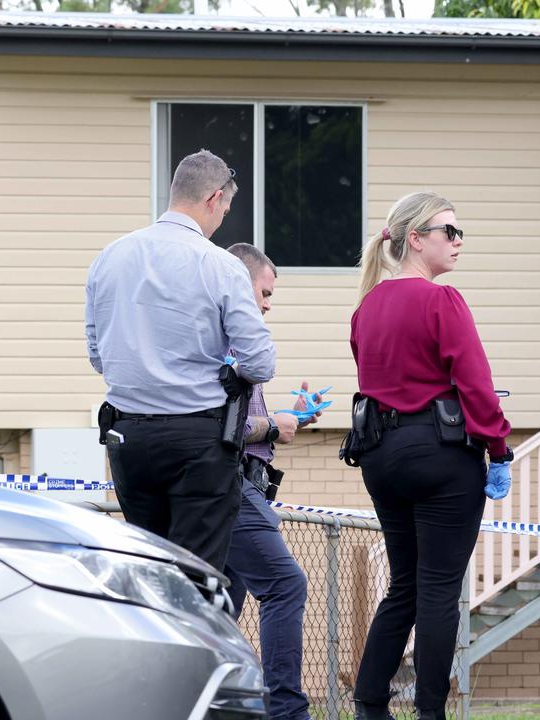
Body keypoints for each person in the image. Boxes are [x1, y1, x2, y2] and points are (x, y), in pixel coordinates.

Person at [349, 192, 513, 720]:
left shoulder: (366, 306)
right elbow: (475, 384)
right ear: (415, 239)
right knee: (439, 590)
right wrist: (498, 448)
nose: (459, 241)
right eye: (449, 231)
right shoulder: (442, 301)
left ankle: (371, 705)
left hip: (381, 455)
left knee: (404, 586)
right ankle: (429, 713)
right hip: (441, 455)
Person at [85, 149, 275, 570]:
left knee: (149, 569)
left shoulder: (109, 258)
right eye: (225, 207)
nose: (222, 217)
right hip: (198, 439)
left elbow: (98, 356)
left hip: (128, 435)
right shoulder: (221, 265)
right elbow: (260, 363)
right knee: (196, 574)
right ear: (213, 198)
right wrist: (231, 371)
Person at [222, 243, 318, 720]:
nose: (267, 303)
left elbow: (245, 422)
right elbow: (217, 429)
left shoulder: (241, 343)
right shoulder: (222, 340)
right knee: (286, 585)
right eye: (264, 292)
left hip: (248, 484)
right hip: (232, 489)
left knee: (219, 610)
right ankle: (286, 712)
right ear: (241, 284)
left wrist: (291, 417)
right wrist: (272, 425)